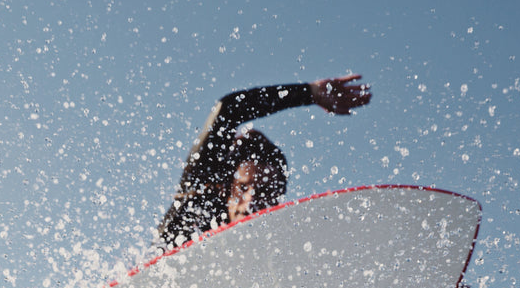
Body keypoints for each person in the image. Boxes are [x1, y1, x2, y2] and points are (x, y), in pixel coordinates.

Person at [156, 74, 371, 250]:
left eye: (265, 191)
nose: (250, 202)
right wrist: (309, 93)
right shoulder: (199, 195)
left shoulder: (272, 253)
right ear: (228, 189)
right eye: (243, 187)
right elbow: (227, 110)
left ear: (278, 201)